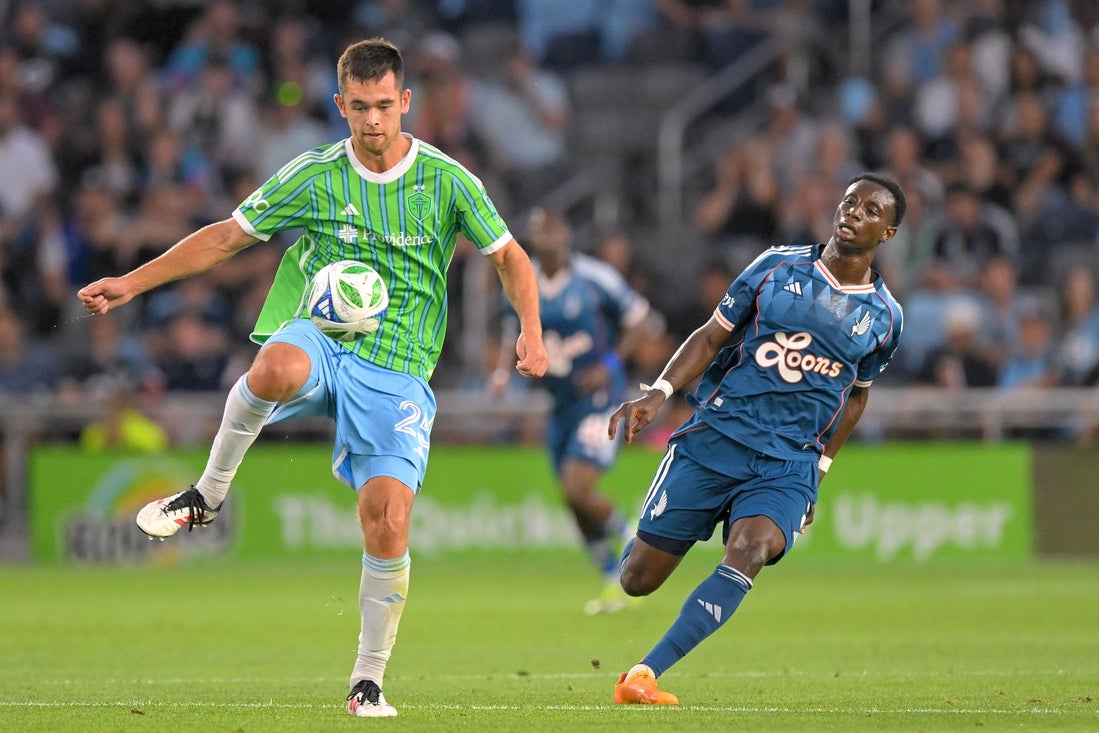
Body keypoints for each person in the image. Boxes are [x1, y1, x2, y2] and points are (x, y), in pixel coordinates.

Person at [77, 37, 548, 719]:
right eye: (359, 107)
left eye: (384, 105)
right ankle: (206, 494)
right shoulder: (314, 174)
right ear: (339, 105)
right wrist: (131, 282)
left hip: (397, 368)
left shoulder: (447, 180)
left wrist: (530, 330)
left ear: (405, 101)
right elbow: (225, 236)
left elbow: (509, 257)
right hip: (322, 336)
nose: (373, 120)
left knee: (387, 519)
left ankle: (368, 680)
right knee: (273, 366)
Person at [607, 173, 906, 705]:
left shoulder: (885, 317)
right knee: (637, 580)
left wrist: (819, 472)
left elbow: (857, 397)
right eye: (849, 202)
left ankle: (643, 674)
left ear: (888, 233)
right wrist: (659, 392)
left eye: (870, 210)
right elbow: (710, 336)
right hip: (717, 437)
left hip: (789, 461)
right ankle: (660, 523)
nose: (853, 212)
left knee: (751, 550)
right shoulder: (776, 266)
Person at [491, 207, 657, 614]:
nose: (550, 237)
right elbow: (512, 330)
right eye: (541, 230)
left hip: (600, 400)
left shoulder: (594, 277)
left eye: (555, 229)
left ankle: (635, 537)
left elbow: (642, 319)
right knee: (573, 500)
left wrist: (610, 364)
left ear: (566, 234)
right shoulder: (522, 279)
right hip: (561, 403)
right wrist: (501, 374)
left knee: (576, 488)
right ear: (532, 238)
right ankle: (612, 579)